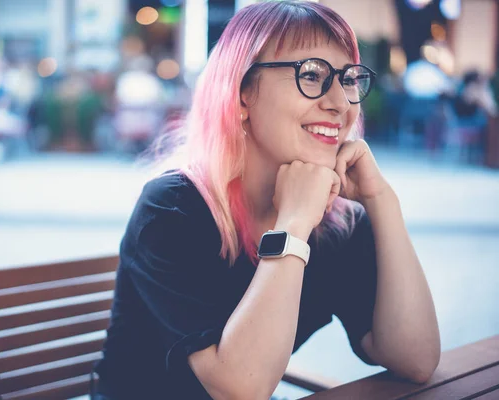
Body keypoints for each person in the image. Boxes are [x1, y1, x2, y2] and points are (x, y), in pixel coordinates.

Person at [93, 2, 441, 399]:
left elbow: (416, 358)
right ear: (243, 94)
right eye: (311, 74)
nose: (341, 103)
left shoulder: (337, 220)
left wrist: (382, 201)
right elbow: (241, 388)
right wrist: (292, 224)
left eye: (347, 80)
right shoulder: (172, 208)